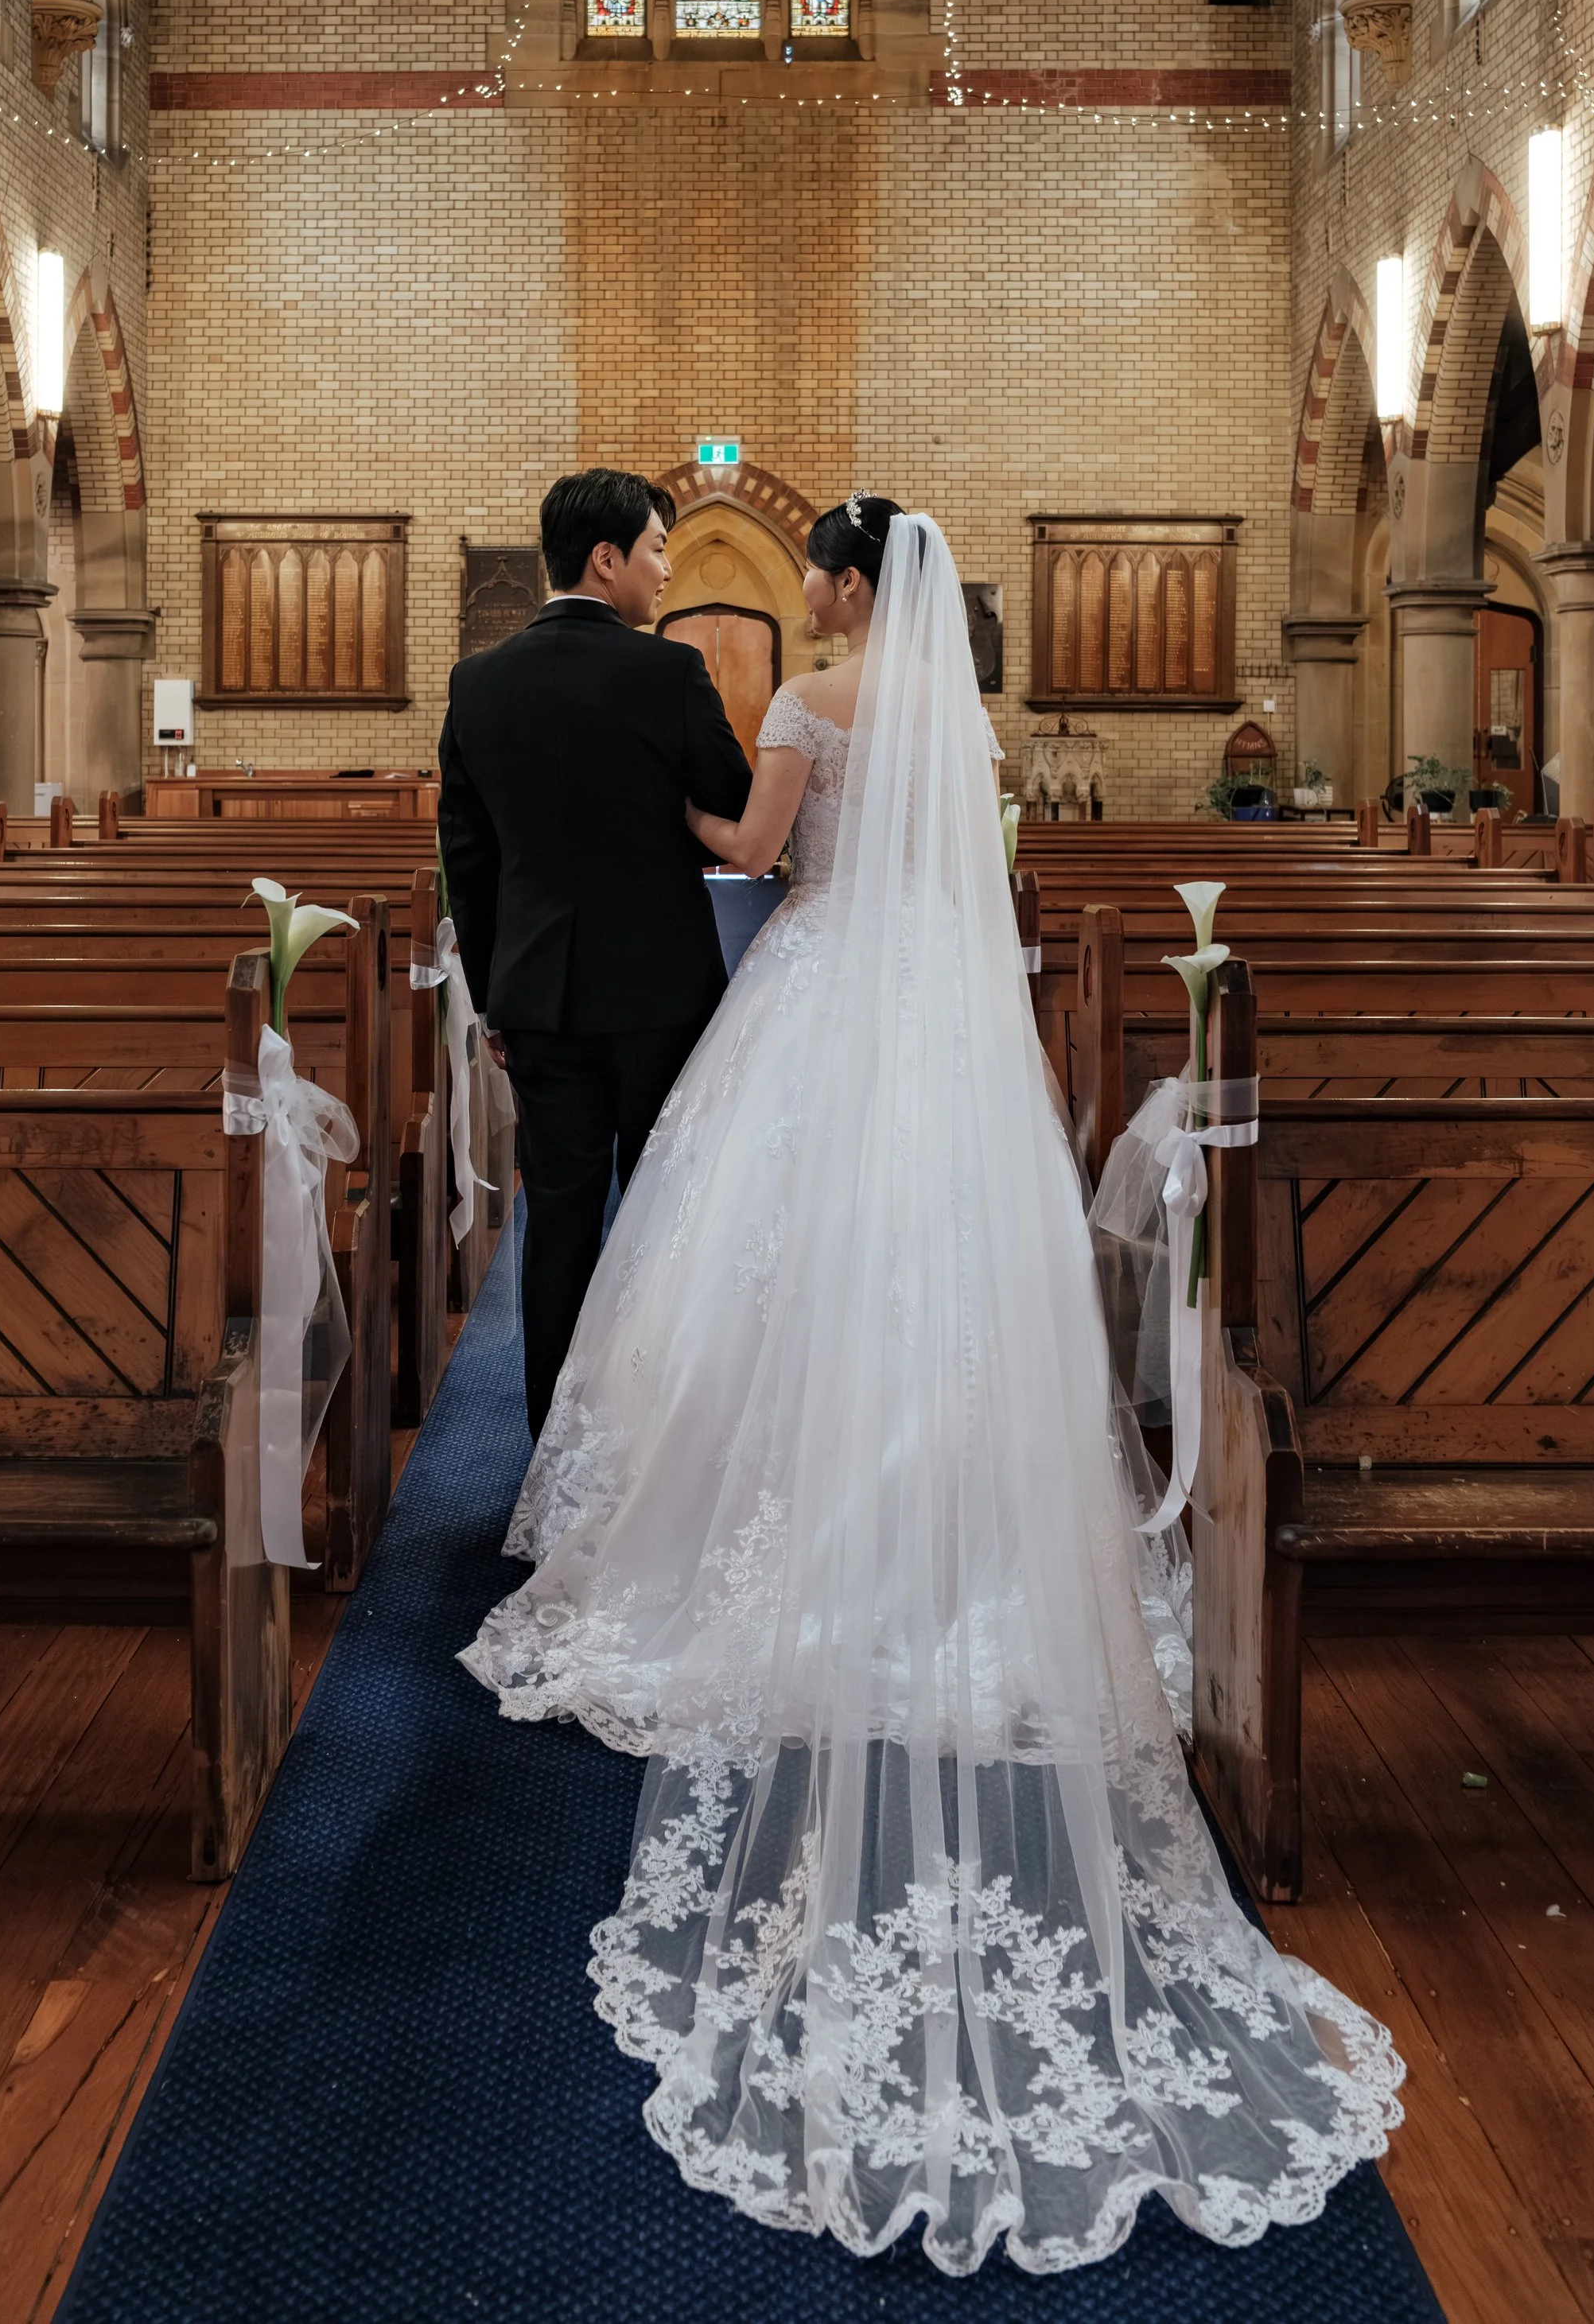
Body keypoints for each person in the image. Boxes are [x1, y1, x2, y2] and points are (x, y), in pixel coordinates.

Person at [463, 496, 1402, 2277]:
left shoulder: (812, 697)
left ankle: (744, 1511)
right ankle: (955, 1533)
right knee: (937, 1267)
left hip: (816, 996)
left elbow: (751, 837)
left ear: (828, 583)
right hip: (939, 1027)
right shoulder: (961, 720)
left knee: (753, 1264)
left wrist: (657, 806)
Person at [437, 468, 752, 1439]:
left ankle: (552, 1454)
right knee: (664, 1218)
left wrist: (493, 998)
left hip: (538, 997)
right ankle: (649, 1444)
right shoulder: (667, 672)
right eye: (657, 549)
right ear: (606, 557)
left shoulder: (478, 680)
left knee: (559, 1228)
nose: (664, 571)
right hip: (661, 991)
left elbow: (467, 854)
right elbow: (734, 806)